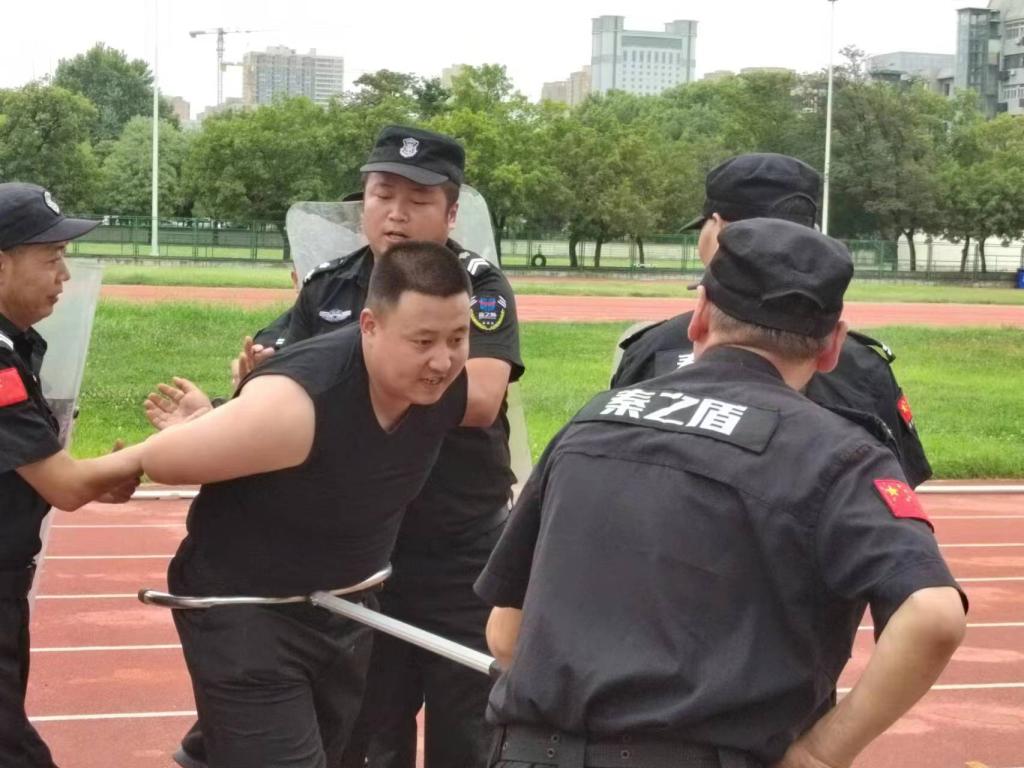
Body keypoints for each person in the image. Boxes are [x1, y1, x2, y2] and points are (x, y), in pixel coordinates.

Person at [476, 218, 967, 768]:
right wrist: (821, 755)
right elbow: (933, 615)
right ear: (832, 345)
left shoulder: (593, 422)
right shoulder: (840, 454)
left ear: (701, 315)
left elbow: (506, 632)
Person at [161, 125, 523, 768]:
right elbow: (277, 383)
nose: (396, 213)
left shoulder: (473, 285)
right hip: (358, 556)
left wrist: (360, 382)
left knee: (467, 731)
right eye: (382, 195)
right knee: (366, 732)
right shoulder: (330, 286)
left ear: (451, 213)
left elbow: (480, 397)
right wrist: (239, 399)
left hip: (457, 549)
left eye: (418, 199)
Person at [140, 241, 473, 768]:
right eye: (424, 341)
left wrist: (215, 421)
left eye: (458, 338)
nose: (443, 358)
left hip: (343, 603)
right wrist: (90, 474)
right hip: (247, 605)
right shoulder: (317, 360)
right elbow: (172, 454)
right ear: (370, 326)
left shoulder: (444, 386)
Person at [610, 153, 932, 487]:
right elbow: (896, 490)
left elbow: (614, 471)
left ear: (717, 226)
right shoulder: (865, 367)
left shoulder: (652, 350)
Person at [0, 182, 143, 768]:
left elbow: (33, 470)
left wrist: (93, 479)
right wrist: (174, 445)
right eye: (51, 258)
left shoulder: (15, 344)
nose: (64, 275)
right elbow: (62, 485)